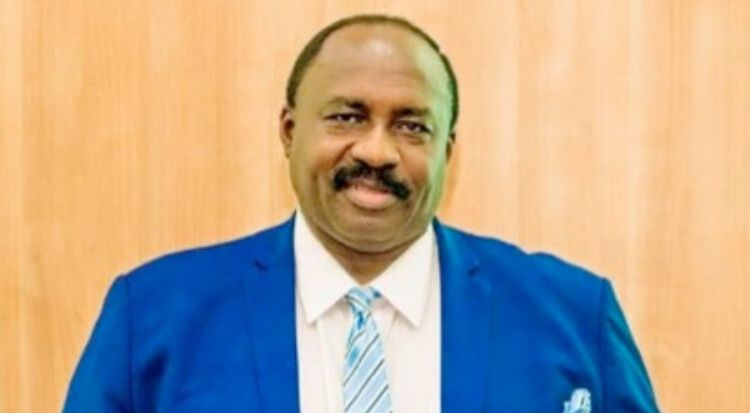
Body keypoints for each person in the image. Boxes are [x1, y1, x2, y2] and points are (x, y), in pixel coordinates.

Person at [63, 13, 660, 413]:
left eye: (411, 126)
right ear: (289, 130)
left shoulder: (573, 317)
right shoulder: (155, 316)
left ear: (447, 151)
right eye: (347, 117)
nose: (376, 152)